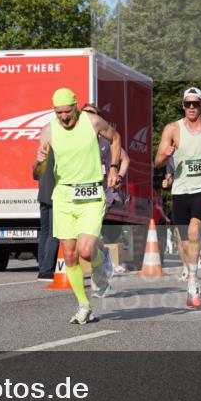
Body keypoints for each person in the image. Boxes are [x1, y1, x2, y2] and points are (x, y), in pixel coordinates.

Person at [34, 88, 121, 324]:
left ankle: (100, 261)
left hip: (91, 194)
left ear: (76, 107)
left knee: (85, 250)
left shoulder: (92, 121)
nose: (63, 117)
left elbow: (115, 138)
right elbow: (37, 172)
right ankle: (84, 306)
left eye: (67, 111)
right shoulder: (48, 131)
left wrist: (113, 168)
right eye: (58, 112)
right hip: (63, 196)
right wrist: (40, 161)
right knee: (70, 255)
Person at [155, 87, 201, 308]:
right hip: (180, 189)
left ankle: (193, 283)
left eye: (195, 103)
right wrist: (164, 155)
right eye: (188, 104)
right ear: (183, 105)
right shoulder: (172, 129)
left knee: (195, 229)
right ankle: (192, 279)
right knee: (184, 242)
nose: (191, 108)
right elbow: (157, 161)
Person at [81, 103, 130, 295]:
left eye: (92, 114)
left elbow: (125, 159)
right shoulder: (78, 136)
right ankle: (104, 255)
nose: (89, 118)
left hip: (102, 189)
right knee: (84, 234)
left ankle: (99, 274)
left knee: (93, 229)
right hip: (82, 189)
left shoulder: (105, 137)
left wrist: (117, 174)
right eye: (84, 114)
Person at [32, 149, 58, 282]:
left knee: (44, 233)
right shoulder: (60, 151)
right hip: (55, 197)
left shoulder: (44, 153)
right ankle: (46, 270)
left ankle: (42, 266)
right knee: (54, 234)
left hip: (43, 196)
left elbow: (35, 174)